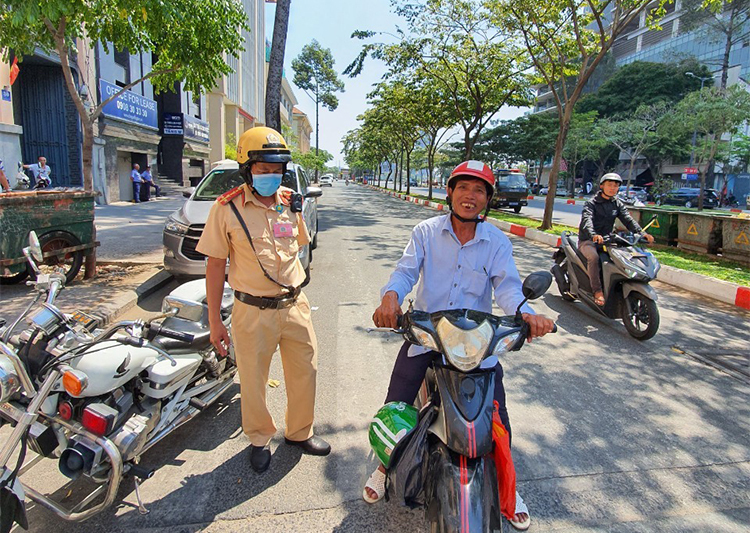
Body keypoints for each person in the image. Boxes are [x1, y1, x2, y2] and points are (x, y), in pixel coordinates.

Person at [363, 160, 555, 531]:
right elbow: (406, 271)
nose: (470, 196)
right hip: (427, 334)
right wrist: (390, 298)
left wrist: (527, 314)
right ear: (450, 192)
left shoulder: (496, 241)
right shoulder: (425, 232)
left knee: (497, 416)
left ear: (487, 199)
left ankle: (507, 489)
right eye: (463, 188)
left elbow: (508, 287)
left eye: (479, 190)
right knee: (397, 402)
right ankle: (384, 465)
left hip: (474, 341)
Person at [196, 126, 329, 474]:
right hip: (251, 311)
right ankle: (258, 438)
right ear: (247, 169)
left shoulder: (289, 202)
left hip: (294, 305)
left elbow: (300, 247)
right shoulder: (226, 209)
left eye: (277, 169)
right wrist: (214, 322)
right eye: (263, 169)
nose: (271, 175)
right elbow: (214, 266)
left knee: (306, 372)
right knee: (253, 380)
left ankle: (300, 432)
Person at [579, 173, 654, 306]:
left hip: (608, 240)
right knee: (594, 258)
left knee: (623, 256)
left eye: (615, 186)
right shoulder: (591, 203)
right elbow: (587, 220)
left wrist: (642, 233)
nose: (612, 188)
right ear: (602, 186)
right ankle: (597, 291)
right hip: (588, 240)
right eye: (609, 185)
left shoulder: (617, 204)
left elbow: (628, 219)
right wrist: (593, 234)